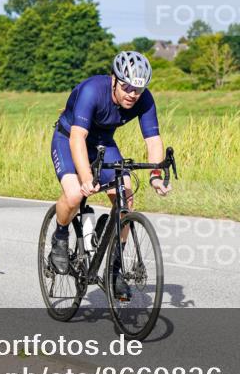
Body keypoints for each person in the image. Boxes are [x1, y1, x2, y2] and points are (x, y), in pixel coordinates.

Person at [49, 51, 171, 299]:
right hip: (68, 138)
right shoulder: (93, 90)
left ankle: (114, 270)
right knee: (73, 196)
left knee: (125, 199)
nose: (132, 95)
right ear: (114, 79)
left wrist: (156, 175)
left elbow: (153, 140)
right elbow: (77, 138)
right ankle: (60, 237)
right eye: (127, 87)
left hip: (104, 143)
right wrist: (86, 179)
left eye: (138, 89)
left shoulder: (144, 99)